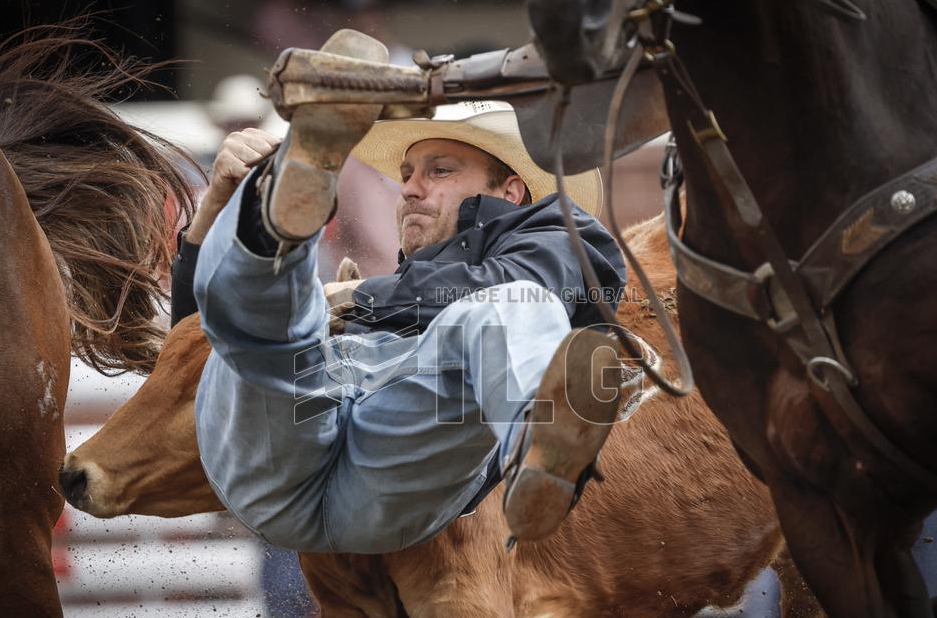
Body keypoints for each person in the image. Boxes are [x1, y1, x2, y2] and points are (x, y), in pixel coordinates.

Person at [185, 30, 628, 554]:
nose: (409, 188)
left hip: (364, 474)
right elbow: (187, 345)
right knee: (280, 314)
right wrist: (215, 204)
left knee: (511, 306)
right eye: (406, 173)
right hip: (319, 449)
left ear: (510, 192)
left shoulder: (555, 235)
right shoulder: (387, 285)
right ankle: (270, 211)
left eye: (439, 171)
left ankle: (539, 450)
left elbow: (517, 286)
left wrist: (361, 297)